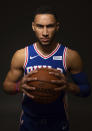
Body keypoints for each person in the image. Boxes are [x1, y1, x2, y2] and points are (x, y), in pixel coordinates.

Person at [3, 6, 91, 131]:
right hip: (29, 122)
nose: (45, 32)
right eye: (40, 26)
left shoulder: (70, 56)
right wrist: (18, 86)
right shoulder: (22, 55)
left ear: (57, 26)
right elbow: (6, 86)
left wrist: (69, 86)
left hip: (58, 122)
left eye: (49, 26)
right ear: (33, 26)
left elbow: (86, 89)